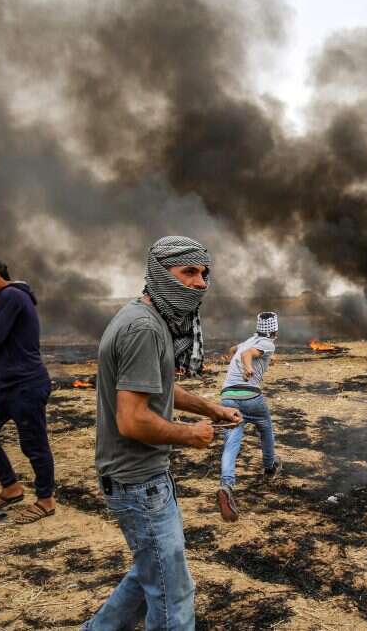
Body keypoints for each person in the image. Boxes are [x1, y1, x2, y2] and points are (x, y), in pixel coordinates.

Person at [83, 236, 242, 631]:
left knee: (148, 572)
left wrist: (211, 407)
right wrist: (192, 435)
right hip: (139, 482)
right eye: (188, 272)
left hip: (139, 480)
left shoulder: (145, 318)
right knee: (174, 597)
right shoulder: (144, 329)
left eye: (204, 274)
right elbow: (132, 421)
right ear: (159, 274)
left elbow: (158, 386)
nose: (200, 282)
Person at [0, 258, 56, 524]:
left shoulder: (11, 294)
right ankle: (11, 487)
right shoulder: (12, 298)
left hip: (25, 385)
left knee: (34, 444)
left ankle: (45, 500)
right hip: (2, 385)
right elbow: (5, 339)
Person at [216, 311, 283, 523]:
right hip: (249, 395)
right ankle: (270, 466)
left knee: (232, 441)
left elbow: (235, 350)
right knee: (265, 427)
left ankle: (226, 485)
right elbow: (247, 355)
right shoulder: (268, 344)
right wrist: (247, 368)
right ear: (275, 331)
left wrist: (230, 356)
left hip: (227, 396)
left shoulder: (249, 340)